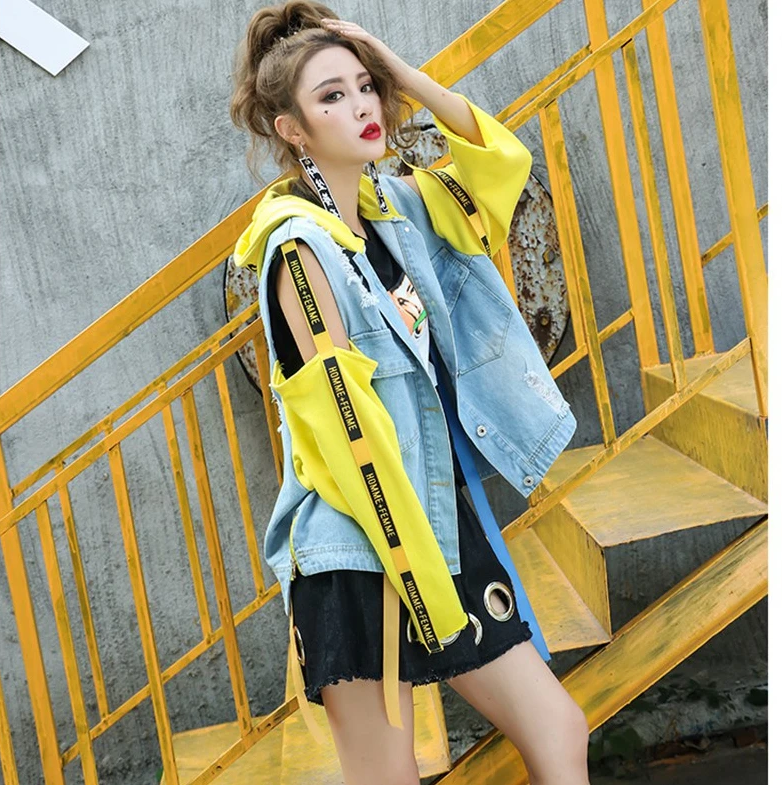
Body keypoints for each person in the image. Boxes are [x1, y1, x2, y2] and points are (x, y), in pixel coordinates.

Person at [230, 3, 590, 783]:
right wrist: (423, 578)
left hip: (430, 525)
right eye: (331, 96)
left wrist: (401, 72)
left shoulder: (397, 212)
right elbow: (348, 431)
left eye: (365, 86)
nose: (362, 105)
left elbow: (499, 169)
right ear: (292, 130)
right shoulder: (298, 250)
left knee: (559, 729)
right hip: (360, 548)